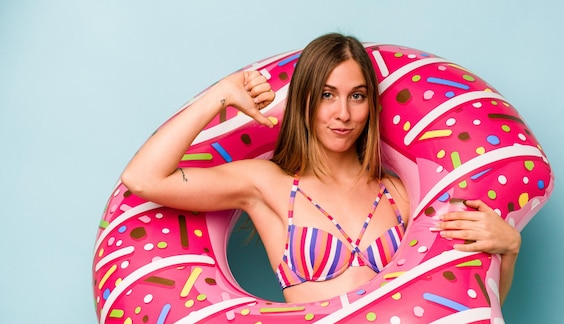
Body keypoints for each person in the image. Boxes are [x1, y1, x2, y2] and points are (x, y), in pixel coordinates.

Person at [121, 33, 521, 305]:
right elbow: (143, 178)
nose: (343, 114)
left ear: (371, 105)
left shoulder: (401, 194)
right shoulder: (267, 185)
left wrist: (509, 250)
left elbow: (470, 305)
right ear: (305, 101)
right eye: (327, 95)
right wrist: (220, 95)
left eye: (357, 96)